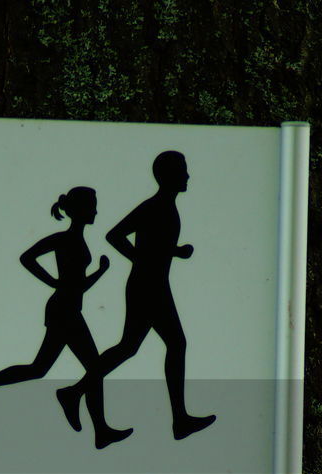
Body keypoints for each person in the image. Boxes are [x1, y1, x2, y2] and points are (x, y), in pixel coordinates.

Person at [58, 151, 216, 441]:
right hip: (148, 286)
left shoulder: (165, 207)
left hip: (152, 284)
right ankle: (179, 420)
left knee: (129, 347)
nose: (188, 176)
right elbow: (115, 235)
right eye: (183, 170)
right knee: (174, 344)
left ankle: (75, 392)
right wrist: (141, 260)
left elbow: (153, 245)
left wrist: (174, 252)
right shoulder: (156, 206)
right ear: (168, 176)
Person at [0, 187, 132, 449]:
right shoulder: (65, 239)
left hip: (67, 308)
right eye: (93, 206)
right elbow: (27, 257)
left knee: (40, 368)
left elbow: (77, 286)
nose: (96, 211)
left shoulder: (77, 240)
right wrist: (52, 281)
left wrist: (99, 273)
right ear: (81, 210)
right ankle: (96, 425)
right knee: (94, 368)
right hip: (64, 310)